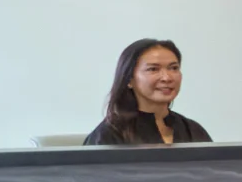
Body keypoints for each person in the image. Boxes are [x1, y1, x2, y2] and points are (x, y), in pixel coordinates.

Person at [83, 37, 213, 146]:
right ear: (129, 79)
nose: (167, 77)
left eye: (173, 68)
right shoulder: (108, 136)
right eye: (153, 69)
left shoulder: (192, 130)